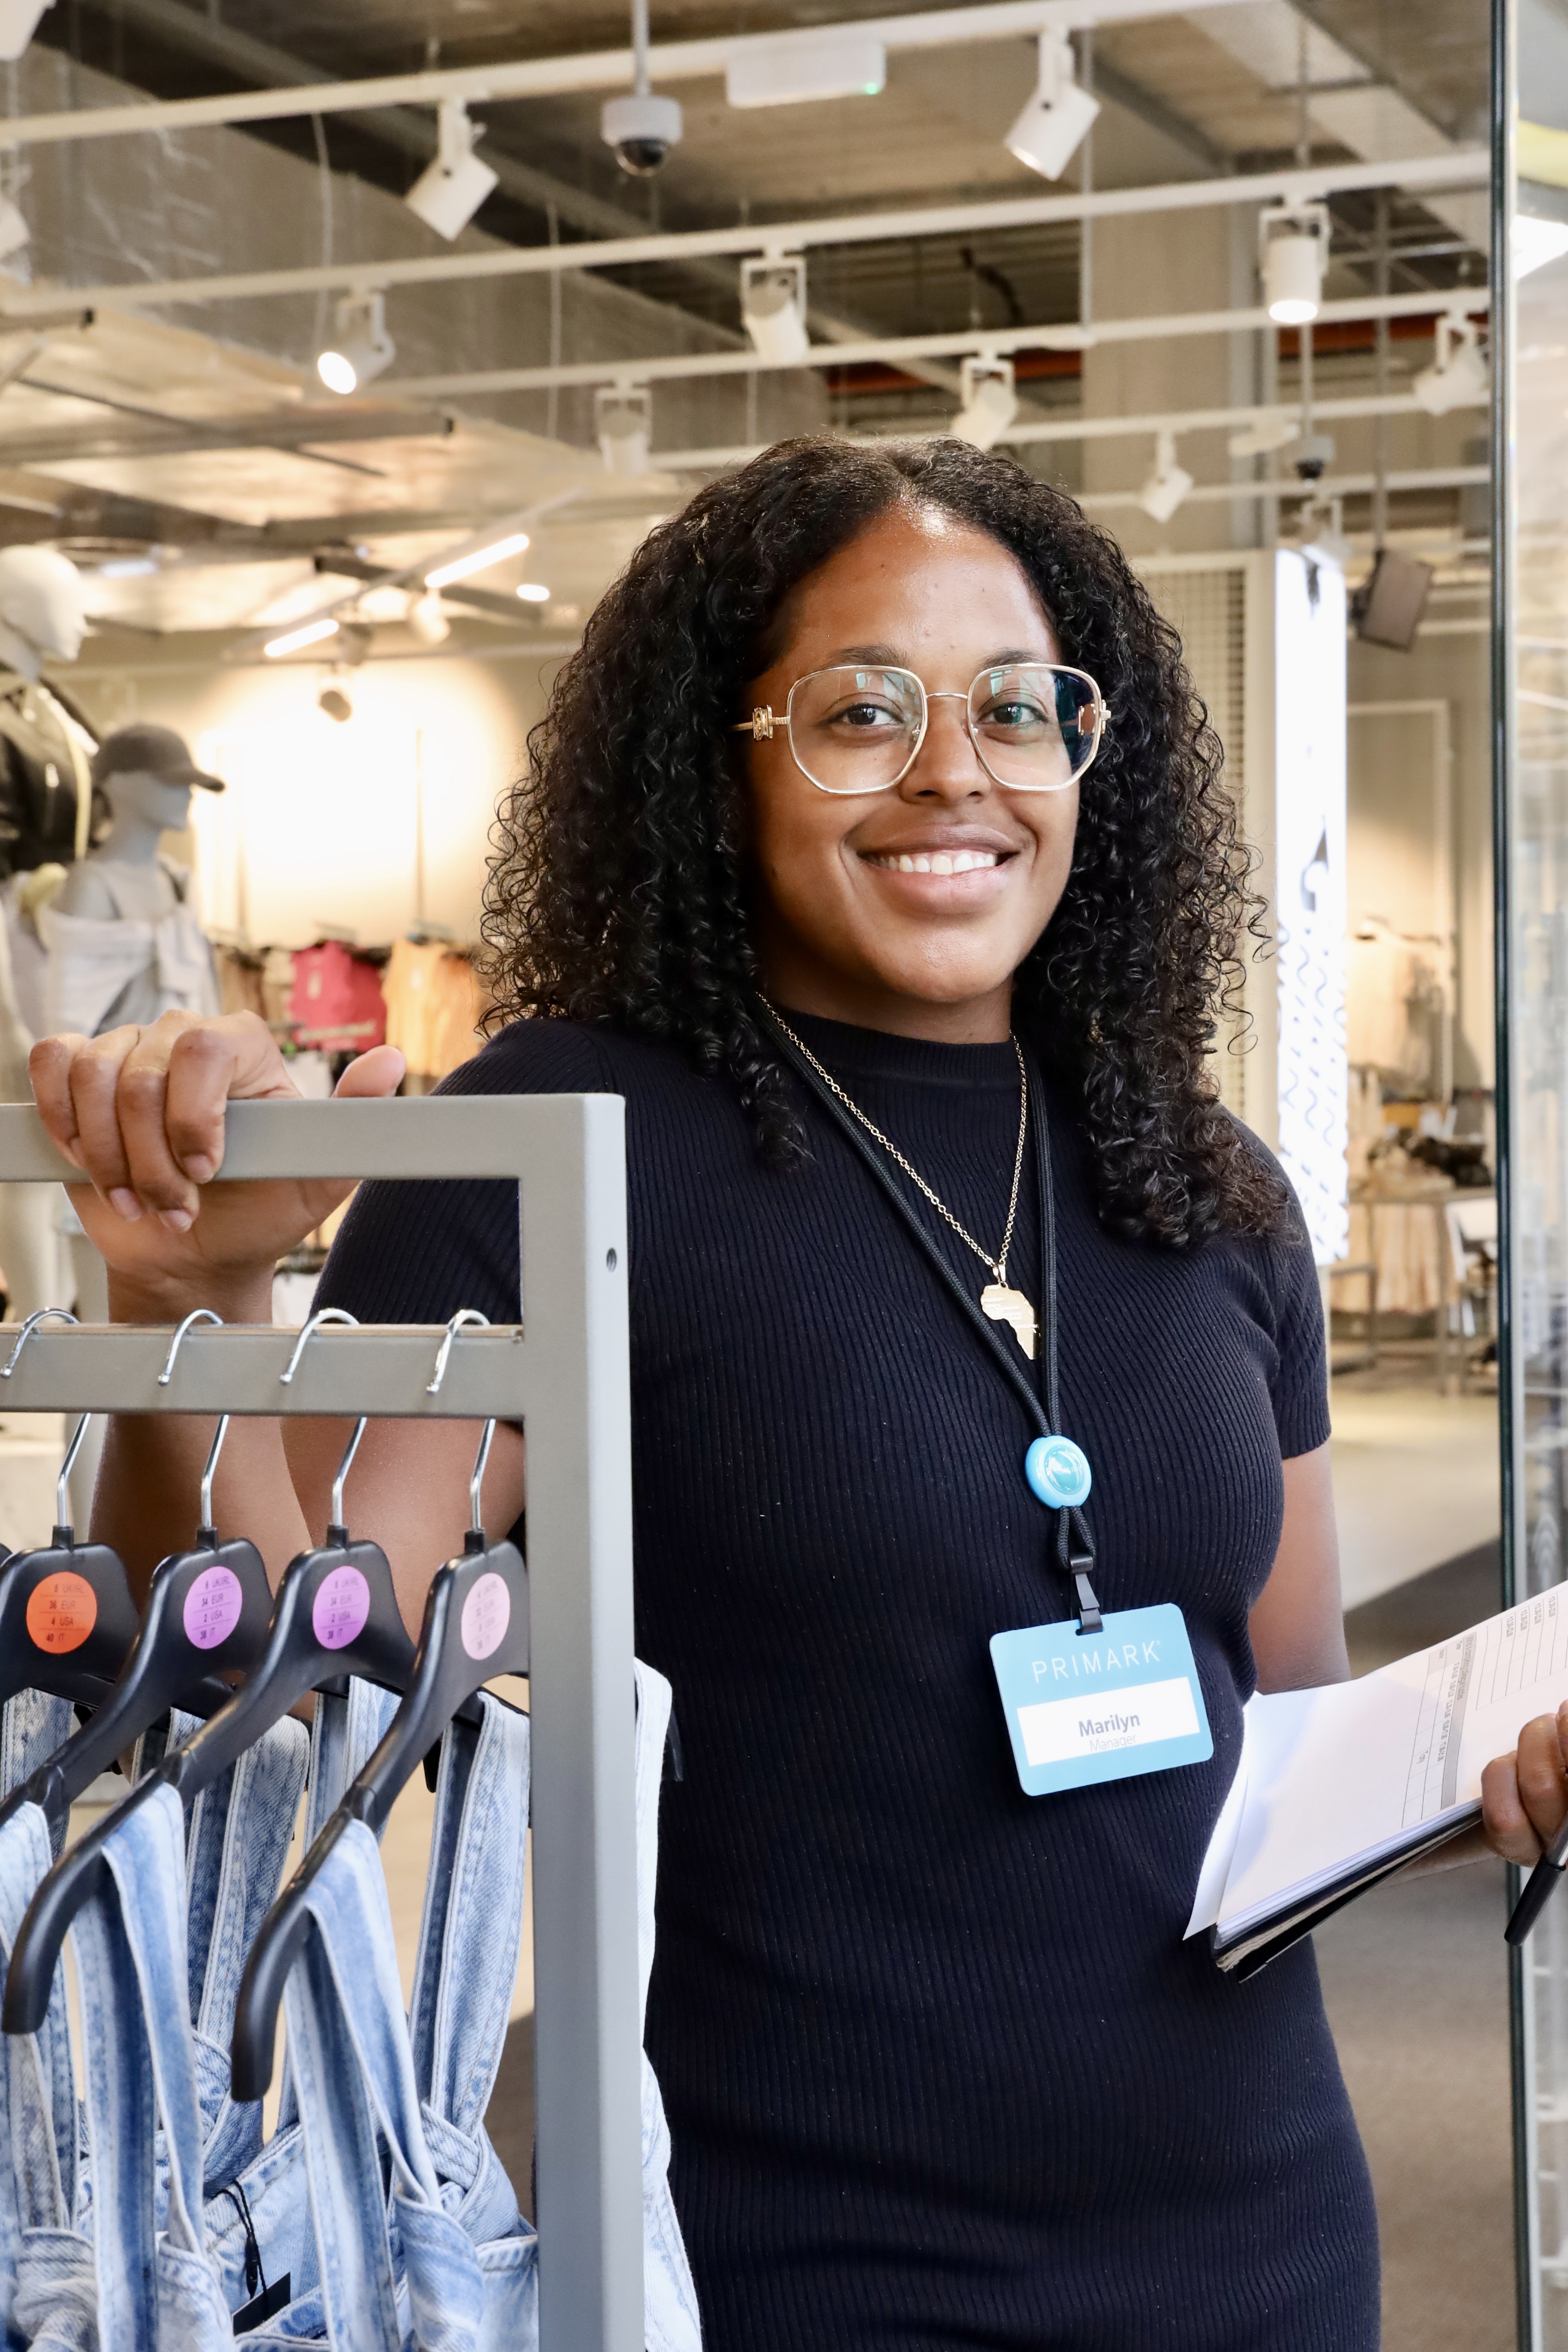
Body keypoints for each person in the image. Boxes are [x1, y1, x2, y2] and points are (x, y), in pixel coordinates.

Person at [26, 435, 1561, 2352]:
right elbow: (318, 1673)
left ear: (1098, 754)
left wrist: (1484, 1770)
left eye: (1021, 707)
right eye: (862, 712)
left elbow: (1296, 1700)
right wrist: (197, 1311)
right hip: (814, 2262)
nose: (955, 771)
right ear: (719, 761)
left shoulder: (1206, 1176)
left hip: (1263, 2228)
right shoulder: (566, 1135)